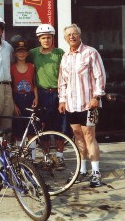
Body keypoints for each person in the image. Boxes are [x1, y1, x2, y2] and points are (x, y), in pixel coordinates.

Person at [58, 23, 106, 187]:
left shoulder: (90, 53)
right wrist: (62, 100)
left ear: (80, 35)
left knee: (89, 136)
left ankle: (96, 173)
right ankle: (83, 170)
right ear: (65, 39)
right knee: (77, 136)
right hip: (71, 105)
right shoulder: (65, 57)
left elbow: (100, 76)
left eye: (74, 34)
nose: (71, 37)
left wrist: (97, 97)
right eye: (68, 35)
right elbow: (62, 82)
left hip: (88, 104)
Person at [29, 24, 66, 169]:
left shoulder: (59, 53)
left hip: (58, 93)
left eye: (49, 38)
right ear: (39, 39)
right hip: (42, 94)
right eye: (43, 38)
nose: (46, 40)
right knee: (42, 128)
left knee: (60, 127)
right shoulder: (33, 53)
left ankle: (60, 157)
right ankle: (46, 157)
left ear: (53, 39)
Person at [10, 37, 38, 154]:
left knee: (31, 128)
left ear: (27, 53)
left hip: (30, 98)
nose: (21, 54)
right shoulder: (11, 68)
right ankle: (19, 155)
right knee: (18, 130)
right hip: (17, 98)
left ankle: (32, 157)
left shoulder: (32, 67)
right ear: (15, 54)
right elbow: (10, 88)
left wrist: (36, 97)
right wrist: (13, 104)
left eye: (24, 51)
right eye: (19, 51)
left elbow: (34, 84)